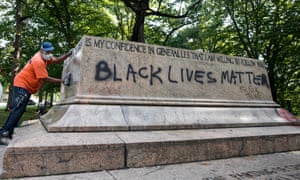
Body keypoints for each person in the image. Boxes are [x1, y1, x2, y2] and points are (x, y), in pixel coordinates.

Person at [0, 42, 72, 143]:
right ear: (42, 50)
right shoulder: (38, 61)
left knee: (19, 110)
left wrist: (68, 54)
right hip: (22, 85)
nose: (50, 53)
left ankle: (9, 132)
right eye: (48, 51)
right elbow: (45, 78)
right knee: (17, 110)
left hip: (26, 86)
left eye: (51, 51)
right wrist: (62, 81)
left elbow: (57, 60)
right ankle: (4, 134)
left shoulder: (45, 57)